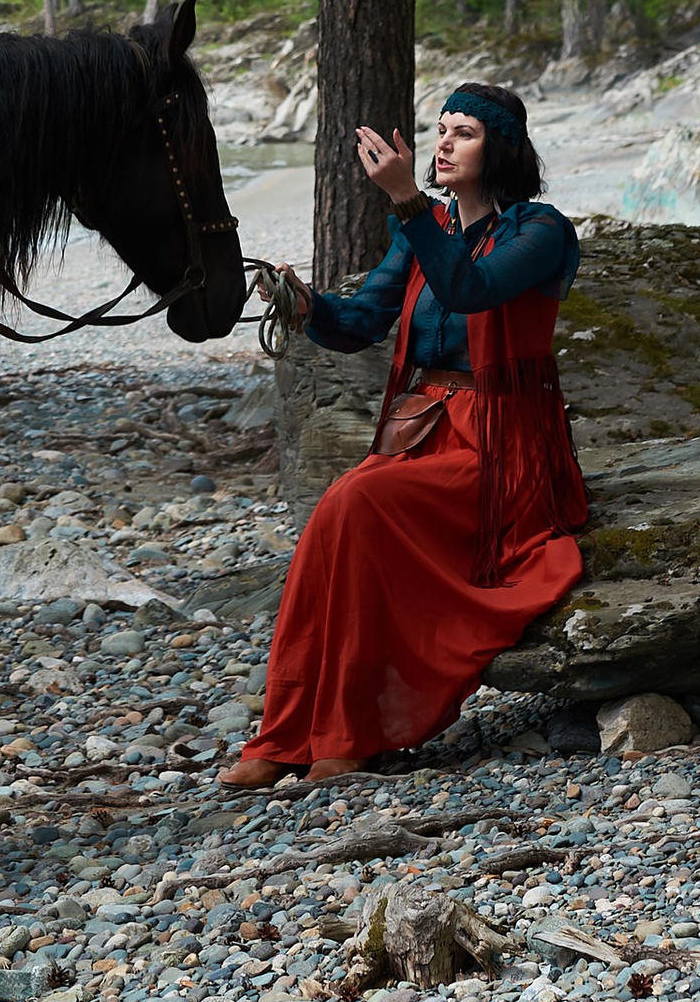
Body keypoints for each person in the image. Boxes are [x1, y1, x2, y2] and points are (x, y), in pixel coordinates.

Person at [218, 83, 587, 791]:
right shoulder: (427, 231)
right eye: (440, 128)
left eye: (465, 132)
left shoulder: (541, 232)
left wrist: (407, 202)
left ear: (501, 147)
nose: (444, 143)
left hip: (505, 445)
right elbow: (360, 321)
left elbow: (472, 289)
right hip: (426, 431)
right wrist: (303, 303)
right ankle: (289, 730)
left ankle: (348, 733)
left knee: (359, 505)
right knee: (334, 516)